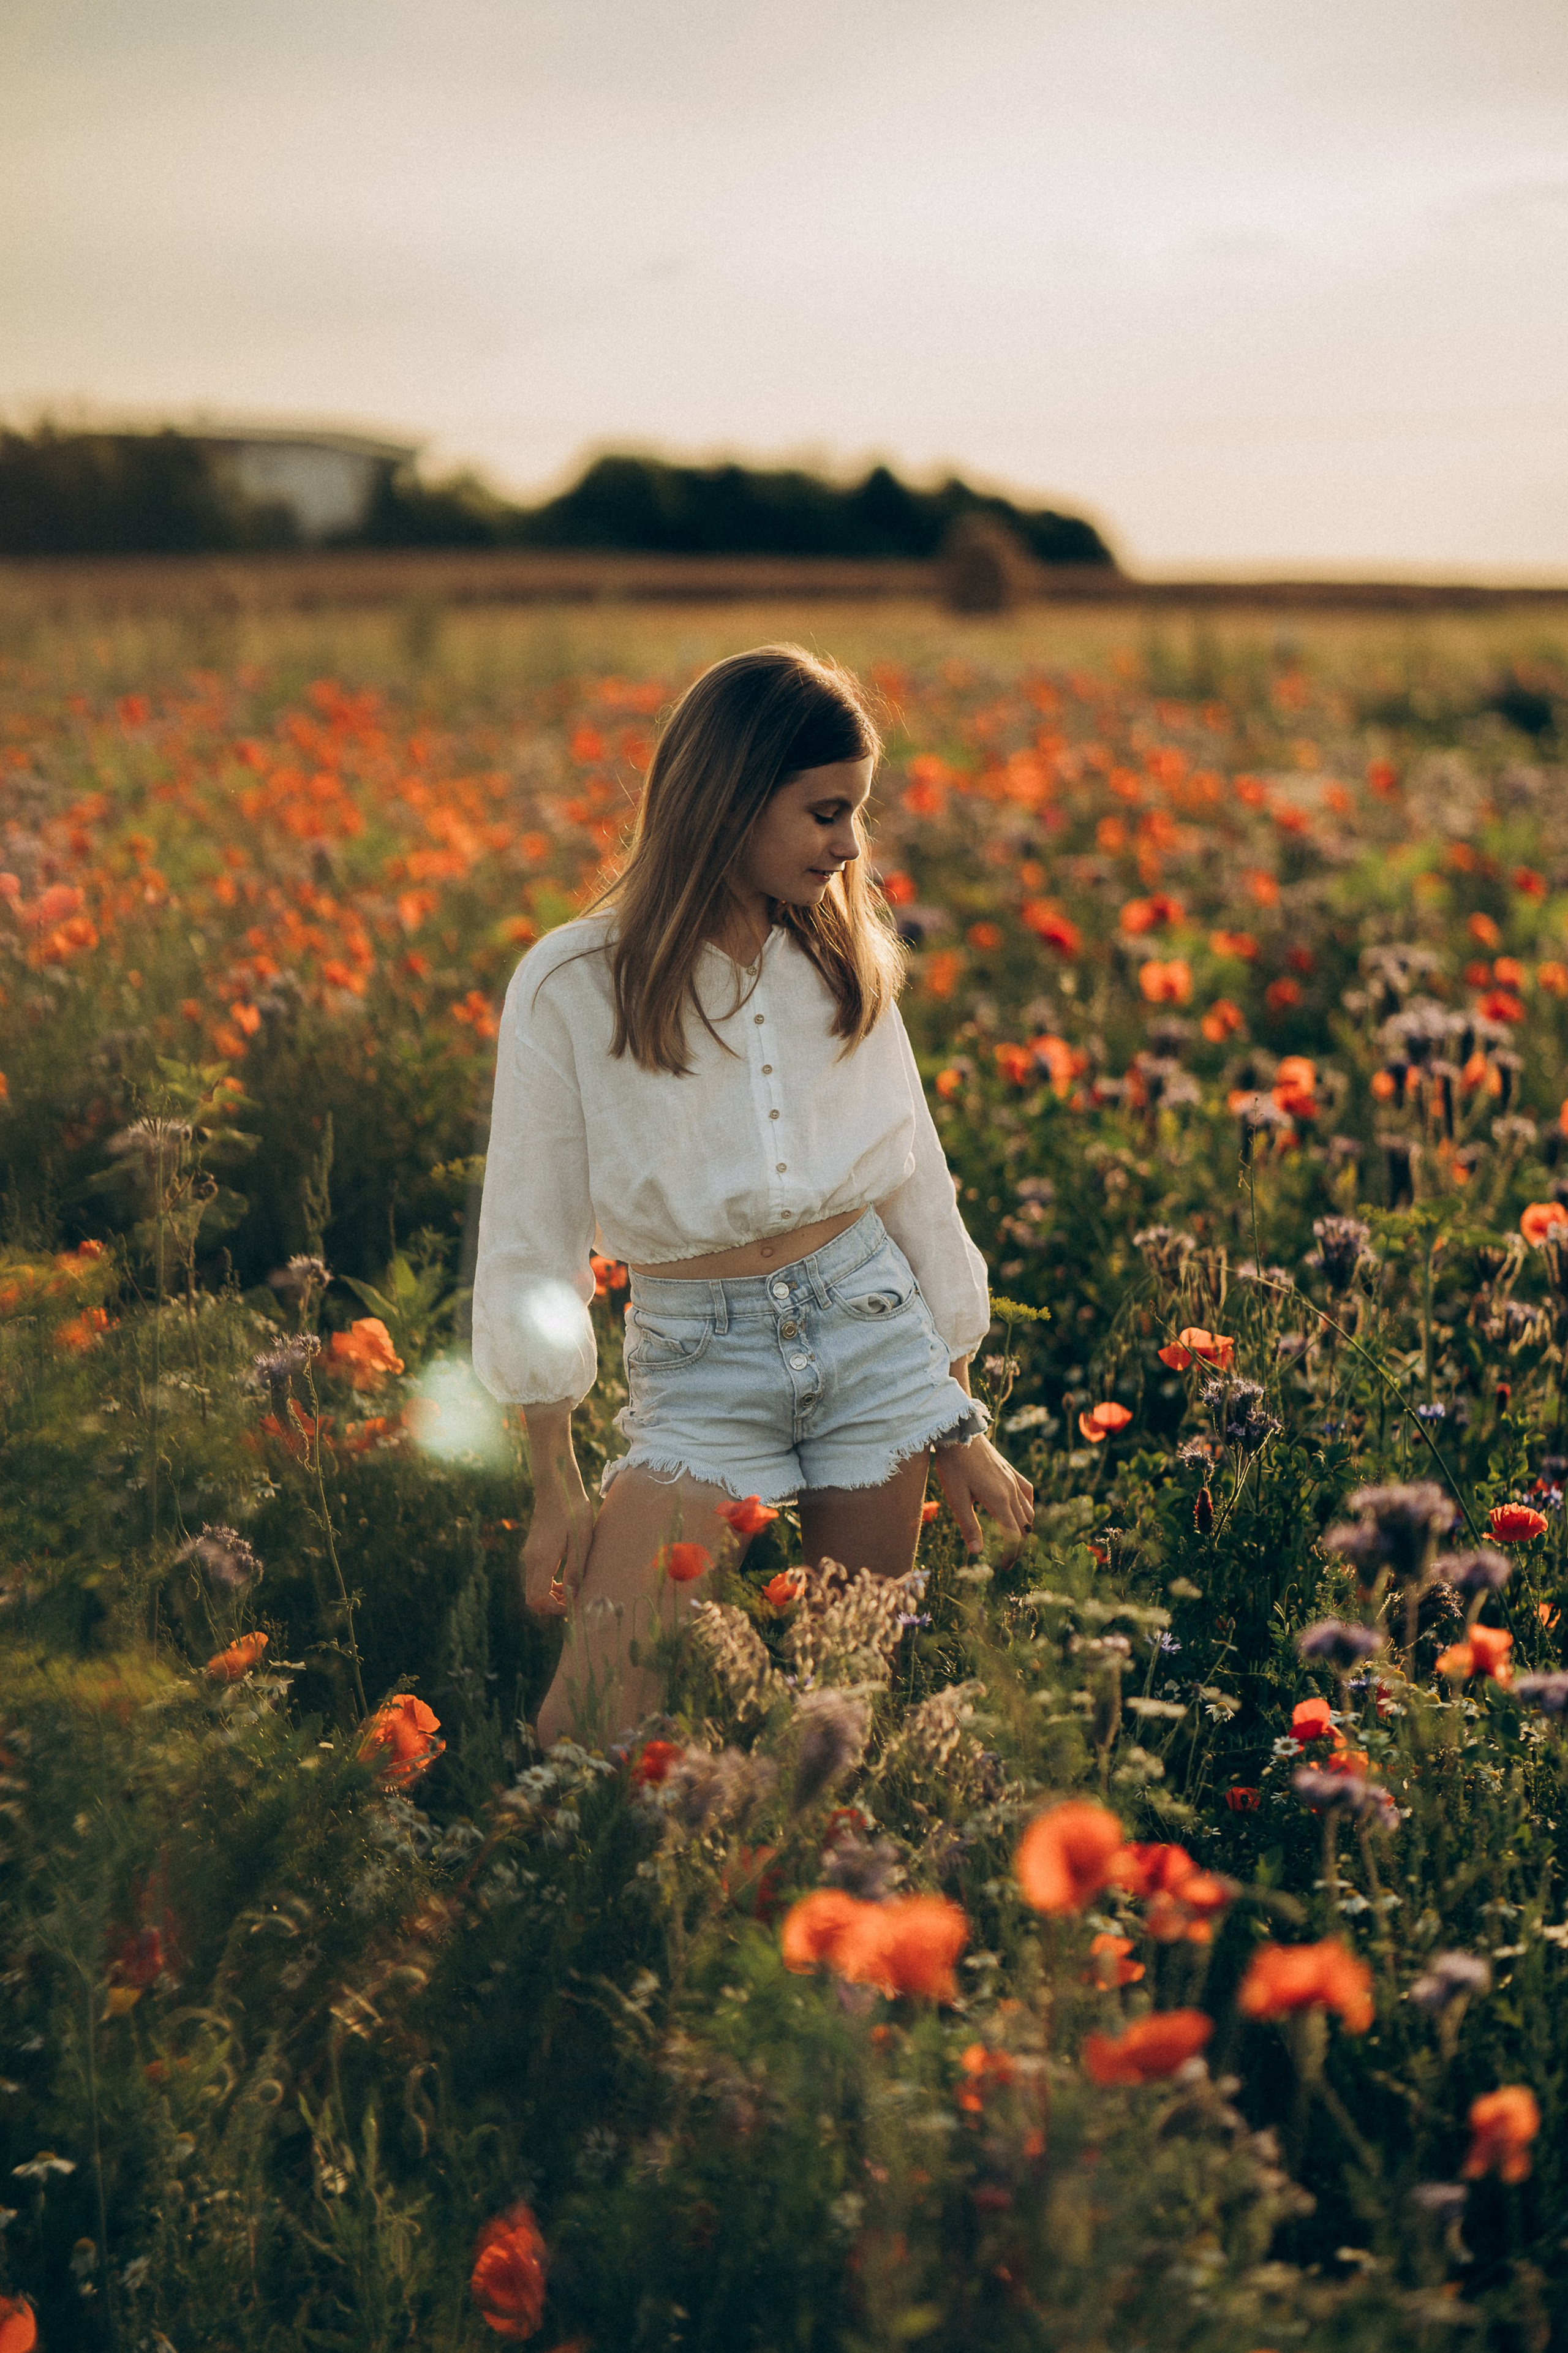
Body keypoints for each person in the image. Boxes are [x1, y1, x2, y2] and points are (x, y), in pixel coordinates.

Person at [472, 644, 1033, 1745]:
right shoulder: (574, 984)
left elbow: (912, 1175)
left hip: (872, 1339)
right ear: (729, 799)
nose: (851, 845)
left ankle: (774, 1906)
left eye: (857, 812)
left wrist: (952, 1405)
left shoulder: (843, 961)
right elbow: (531, 1238)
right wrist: (553, 1480)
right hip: (699, 1366)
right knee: (585, 1728)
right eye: (827, 813)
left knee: (832, 1719)